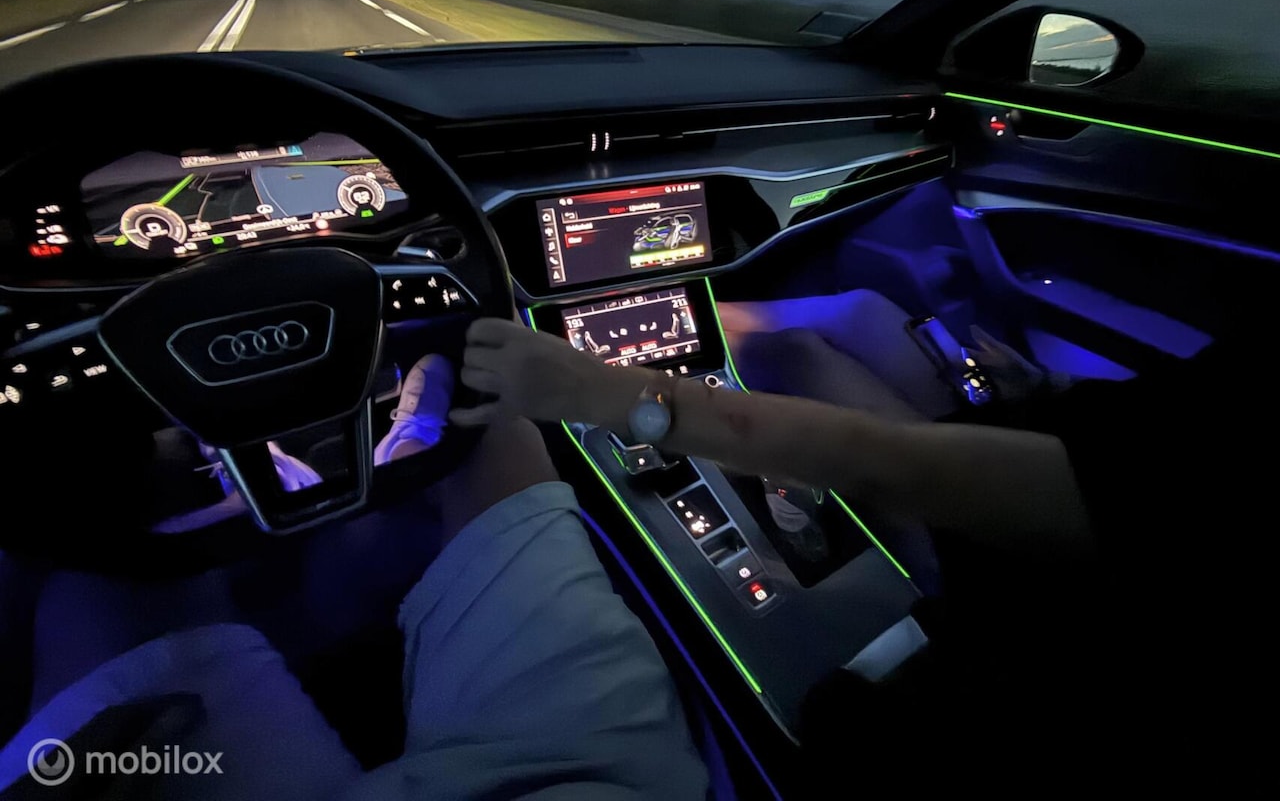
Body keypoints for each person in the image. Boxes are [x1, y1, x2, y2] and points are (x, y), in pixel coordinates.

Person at [448, 316, 1270, 790]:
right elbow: (1163, 427)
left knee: (501, 446)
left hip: (1032, 702)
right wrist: (1052, 393)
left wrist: (602, 393)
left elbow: (887, 464)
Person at [0, 356, 711, 800]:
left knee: (101, 591)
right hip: (600, 784)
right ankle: (385, 492)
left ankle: (344, 523)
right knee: (488, 434)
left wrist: (246, 513)